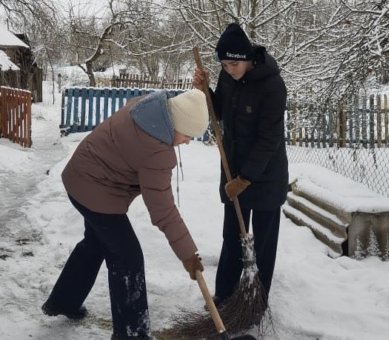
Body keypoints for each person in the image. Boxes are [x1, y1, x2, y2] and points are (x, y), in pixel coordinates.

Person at [41, 89, 208, 340]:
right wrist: (187, 254)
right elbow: (163, 210)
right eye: (187, 135)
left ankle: (64, 301)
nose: (186, 142)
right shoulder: (157, 152)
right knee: (127, 258)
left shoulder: (145, 106)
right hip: (96, 190)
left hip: (80, 174)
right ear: (176, 123)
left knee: (96, 244)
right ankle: (132, 335)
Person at [193, 23, 288, 309]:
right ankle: (225, 292)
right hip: (233, 168)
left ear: (247, 58)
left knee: (263, 242)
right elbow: (220, 111)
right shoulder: (227, 76)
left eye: (234, 63)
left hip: (265, 175)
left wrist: (246, 178)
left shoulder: (272, 85)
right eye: (223, 64)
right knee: (232, 234)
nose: (229, 69)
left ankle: (257, 299)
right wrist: (205, 90)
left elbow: (268, 140)